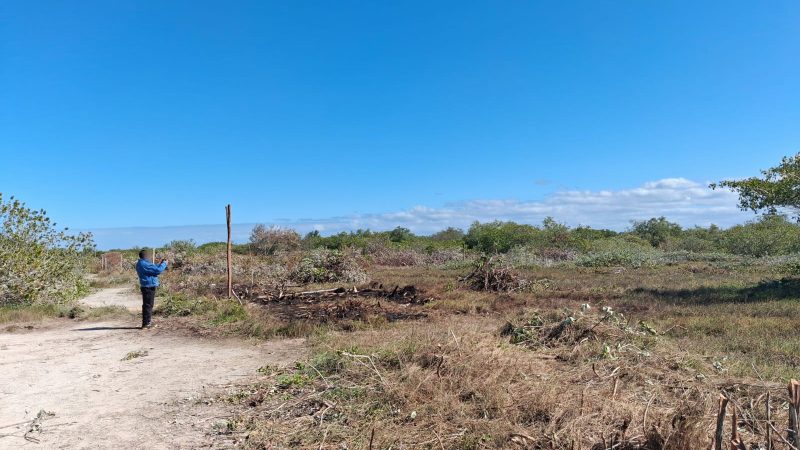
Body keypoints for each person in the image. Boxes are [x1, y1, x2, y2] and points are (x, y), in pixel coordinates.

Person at [135, 249, 168, 329]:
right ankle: (146, 324)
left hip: (147, 286)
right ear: (145, 256)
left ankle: (146, 323)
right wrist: (164, 264)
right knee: (148, 305)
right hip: (148, 287)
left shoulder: (142, 263)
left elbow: (154, 268)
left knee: (147, 305)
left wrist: (160, 263)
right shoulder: (144, 264)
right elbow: (158, 270)